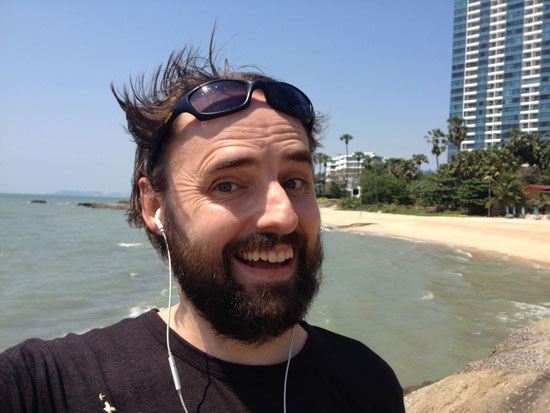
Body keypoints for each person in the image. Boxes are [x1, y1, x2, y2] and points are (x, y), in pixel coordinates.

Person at [0, 43, 405, 412]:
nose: (284, 216)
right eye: (227, 184)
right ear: (155, 207)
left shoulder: (367, 382)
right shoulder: (45, 386)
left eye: (295, 181)